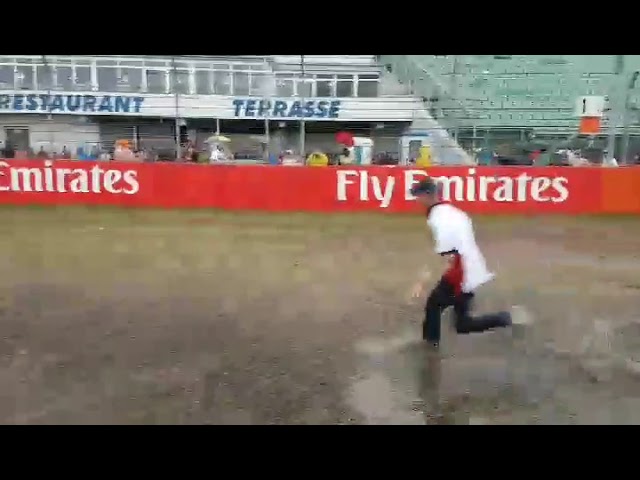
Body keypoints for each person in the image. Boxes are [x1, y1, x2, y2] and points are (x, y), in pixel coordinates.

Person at [408, 178, 530, 347]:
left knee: (436, 307)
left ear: (428, 195)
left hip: (461, 272)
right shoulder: (451, 211)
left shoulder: (439, 219)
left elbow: (445, 257)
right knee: (459, 322)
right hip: (470, 266)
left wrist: (420, 283)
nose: (417, 200)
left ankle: (430, 345)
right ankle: (506, 319)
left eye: (418, 196)